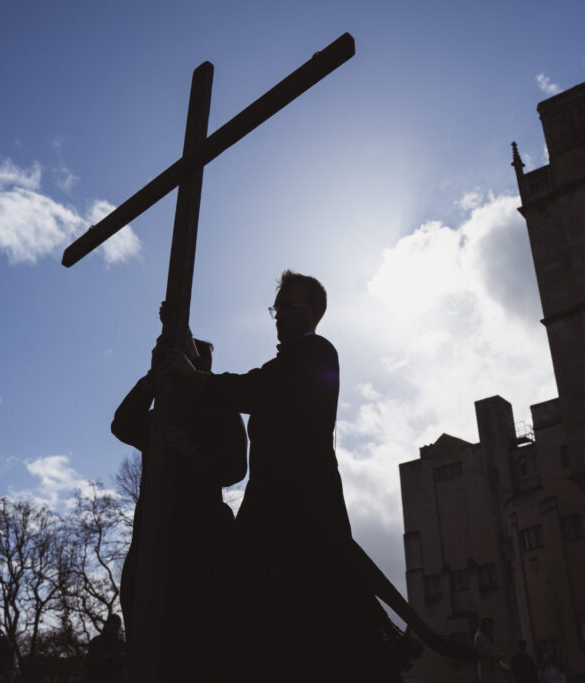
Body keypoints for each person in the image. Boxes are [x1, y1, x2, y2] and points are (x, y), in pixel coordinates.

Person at [159, 270, 400, 683]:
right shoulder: (293, 362)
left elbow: (254, 389)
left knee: (304, 615)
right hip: (275, 504)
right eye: (277, 307)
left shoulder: (315, 353)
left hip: (299, 508)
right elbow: (250, 389)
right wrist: (183, 339)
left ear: (314, 312)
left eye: (287, 307)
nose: (278, 316)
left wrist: (192, 376)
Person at [111, 311, 247, 678]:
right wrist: (151, 381)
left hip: (200, 541)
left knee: (196, 645)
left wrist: (192, 453)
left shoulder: (220, 408)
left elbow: (236, 467)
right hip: (154, 537)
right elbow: (122, 424)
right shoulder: (163, 414)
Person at [86, 614, 127, 682]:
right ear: (108, 625)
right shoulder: (96, 642)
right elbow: (92, 664)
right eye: (113, 625)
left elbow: (125, 662)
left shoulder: (121, 644)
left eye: (117, 626)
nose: (115, 628)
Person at [474, 617, 501, 683]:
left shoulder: (484, 636)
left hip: (489, 669)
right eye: (490, 626)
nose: (492, 629)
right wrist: (496, 656)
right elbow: (484, 653)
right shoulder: (480, 636)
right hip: (485, 669)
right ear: (485, 626)